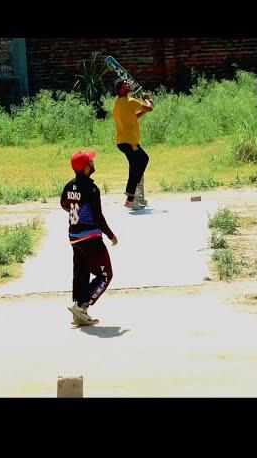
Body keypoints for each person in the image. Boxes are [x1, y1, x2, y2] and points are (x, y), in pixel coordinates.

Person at [60, 150, 118, 326]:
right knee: (106, 275)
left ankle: (78, 313)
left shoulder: (70, 185)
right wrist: (111, 235)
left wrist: (75, 208)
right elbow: (98, 216)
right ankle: (83, 305)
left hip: (74, 237)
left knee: (81, 274)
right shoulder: (92, 189)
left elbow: (64, 204)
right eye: (91, 162)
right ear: (86, 168)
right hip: (90, 238)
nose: (93, 163)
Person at [112, 78, 154, 209]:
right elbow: (149, 108)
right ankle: (131, 195)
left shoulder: (118, 103)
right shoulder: (130, 101)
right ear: (121, 89)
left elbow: (133, 116)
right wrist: (148, 100)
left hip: (122, 142)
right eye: (125, 84)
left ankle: (130, 199)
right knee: (144, 159)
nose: (128, 84)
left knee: (134, 166)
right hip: (130, 141)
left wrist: (145, 110)